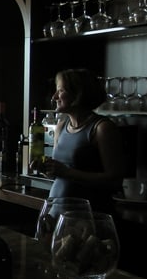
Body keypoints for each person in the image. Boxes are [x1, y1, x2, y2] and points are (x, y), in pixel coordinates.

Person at [38, 68, 125, 212]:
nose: (54, 97)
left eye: (60, 91)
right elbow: (59, 176)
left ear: (78, 93)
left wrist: (67, 172)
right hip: (55, 212)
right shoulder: (60, 127)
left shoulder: (102, 128)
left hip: (86, 215)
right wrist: (47, 170)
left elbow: (115, 181)